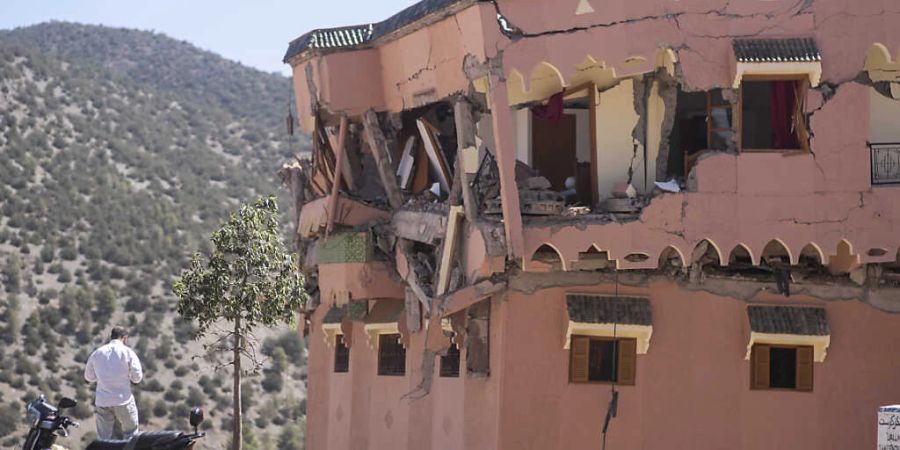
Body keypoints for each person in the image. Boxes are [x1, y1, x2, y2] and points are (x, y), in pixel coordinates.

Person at [84, 326, 143, 440]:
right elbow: (137, 378)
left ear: (111, 337)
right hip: (123, 400)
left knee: (103, 437)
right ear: (124, 338)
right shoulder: (128, 353)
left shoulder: (97, 353)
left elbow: (89, 377)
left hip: (103, 400)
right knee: (131, 434)